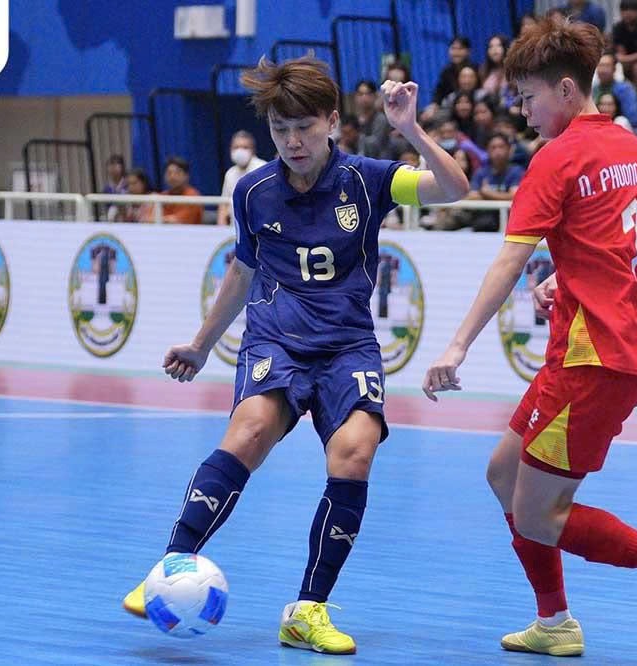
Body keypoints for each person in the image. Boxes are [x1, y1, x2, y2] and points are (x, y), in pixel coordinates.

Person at [121, 55, 469, 654]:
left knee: (355, 454)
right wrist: (202, 344)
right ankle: (172, 565)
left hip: (347, 345)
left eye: (303, 127)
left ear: (332, 121)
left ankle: (307, 610)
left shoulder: (368, 179)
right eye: (280, 130)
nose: (291, 141)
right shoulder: (254, 189)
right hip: (275, 340)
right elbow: (243, 269)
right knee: (250, 431)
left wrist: (411, 129)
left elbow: (456, 188)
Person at [421, 17, 637, 658]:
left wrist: (457, 346)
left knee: (539, 515)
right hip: (602, 346)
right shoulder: (630, 146)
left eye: (528, 99)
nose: (524, 114)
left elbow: (507, 260)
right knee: (504, 472)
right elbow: (636, 246)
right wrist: (567, 278)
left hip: (594, 358)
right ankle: (555, 622)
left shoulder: (556, 157)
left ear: (565, 89)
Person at [218, 131, 266, 226]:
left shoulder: (262, 169)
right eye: (236, 147)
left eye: (245, 147)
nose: (240, 151)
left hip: (258, 227)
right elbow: (223, 204)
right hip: (234, 227)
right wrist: (220, 228)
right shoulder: (230, 173)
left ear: (253, 150)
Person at [160, 156, 204, 224]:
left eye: (177, 173)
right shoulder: (163, 196)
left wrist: (157, 219)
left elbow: (176, 222)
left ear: (186, 176)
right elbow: (148, 218)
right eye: (169, 173)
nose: (172, 177)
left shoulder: (193, 197)